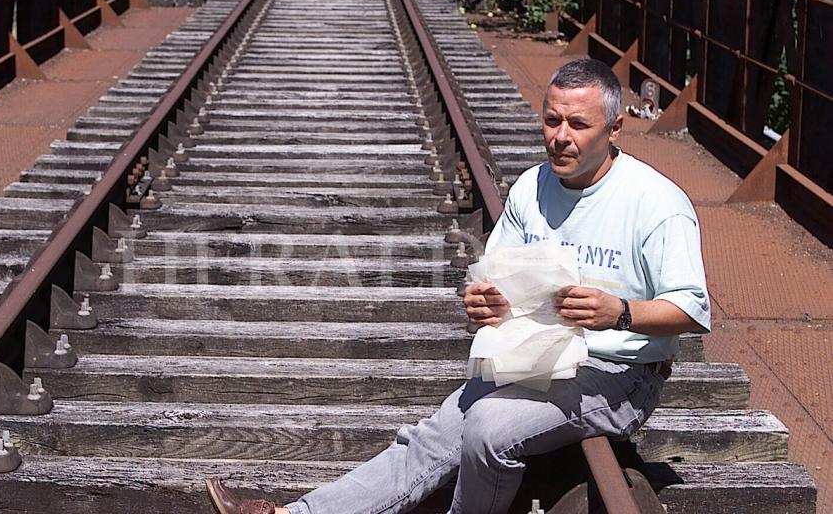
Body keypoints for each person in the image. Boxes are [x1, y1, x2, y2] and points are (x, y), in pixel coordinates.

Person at [205, 58, 711, 514]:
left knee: (488, 427)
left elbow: (691, 310)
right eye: (551, 119)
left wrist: (617, 311)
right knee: (431, 436)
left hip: (619, 370)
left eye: (579, 124)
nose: (560, 136)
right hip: (536, 353)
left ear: (615, 128)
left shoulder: (656, 203)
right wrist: (482, 302)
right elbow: (496, 277)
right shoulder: (532, 187)